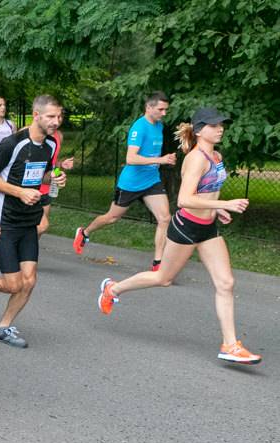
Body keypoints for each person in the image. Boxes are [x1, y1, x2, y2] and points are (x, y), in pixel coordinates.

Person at [97, 108, 261, 365]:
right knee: (162, 278)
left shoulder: (216, 155)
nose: (220, 128)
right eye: (214, 125)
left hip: (208, 229)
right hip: (187, 226)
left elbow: (209, 193)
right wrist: (225, 205)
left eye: (222, 125)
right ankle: (112, 289)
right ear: (199, 130)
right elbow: (184, 200)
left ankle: (230, 345)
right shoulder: (196, 158)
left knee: (226, 283)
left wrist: (217, 212)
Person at [0, 95, 67, 349]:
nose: (56, 121)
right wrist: (19, 192)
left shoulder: (50, 144)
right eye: (51, 116)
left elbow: (43, 174)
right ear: (36, 115)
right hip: (5, 221)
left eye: (59, 116)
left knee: (29, 280)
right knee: (13, 283)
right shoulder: (13, 143)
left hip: (30, 221)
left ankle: (3, 327)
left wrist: (55, 178)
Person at [74, 92, 177, 271]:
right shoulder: (139, 127)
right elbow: (131, 158)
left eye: (166, 110)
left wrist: (165, 159)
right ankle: (85, 232)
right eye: (160, 109)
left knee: (165, 218)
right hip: (131, 183)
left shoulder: (159, 126)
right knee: (111, 218)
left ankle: (158, 263)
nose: (164, 113)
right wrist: (160, 160)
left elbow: (151, 153)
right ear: (149, 107)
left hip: (152, 180)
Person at [36, 128, 74, 237]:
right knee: (38, 226)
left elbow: (53, 164)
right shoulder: (29, 132)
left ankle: (27, 252)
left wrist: (61, 165)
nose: (57, 120)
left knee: (42, 227)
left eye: (59, 116)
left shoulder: (59, 135)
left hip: (47, 188)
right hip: (30, 188)